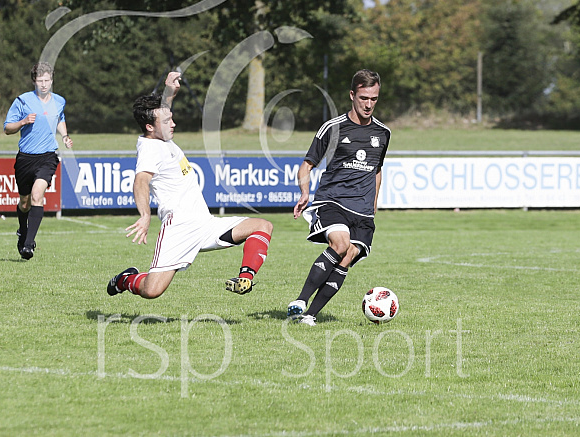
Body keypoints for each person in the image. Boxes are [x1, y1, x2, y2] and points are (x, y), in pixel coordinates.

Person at [107, 71, 273, 299]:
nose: (173, 124)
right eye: (167, 122)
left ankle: (245, 279)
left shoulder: (160, 135)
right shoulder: (150, 148)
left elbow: (162, 111)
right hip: (179, 228)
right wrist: (145, 215)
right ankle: (126, 279)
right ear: (149, 127)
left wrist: (168, 90)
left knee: (262, 226)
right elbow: (141, 181)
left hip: (204, 223)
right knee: (151, 291)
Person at [288, 69, 391, 326]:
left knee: (347, 257)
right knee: (340, 244)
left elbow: (377, 170)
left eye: (374, 99)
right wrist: (304, 193)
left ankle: (310, 316)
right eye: (364, 98)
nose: (368, 104)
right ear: (352, 95)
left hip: (363, 211)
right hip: (333, 201)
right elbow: (307, 165)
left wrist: (374, 203)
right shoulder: (333, 128)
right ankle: (301, 300)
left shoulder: (383, 133)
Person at [4, 62, 73, 260]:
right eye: (40, 80)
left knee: (37, 195)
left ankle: (28, 244)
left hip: (48, 156)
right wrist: (23, 122)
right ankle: (22, 231)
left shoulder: (59, 101)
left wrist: (65, 135)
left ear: (52, 80)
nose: (44, 84)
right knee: (25, 202)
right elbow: (7, 128)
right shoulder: (22, 101)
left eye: (47, 80)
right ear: (34, 81)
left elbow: (59, 117)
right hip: (26, 158)